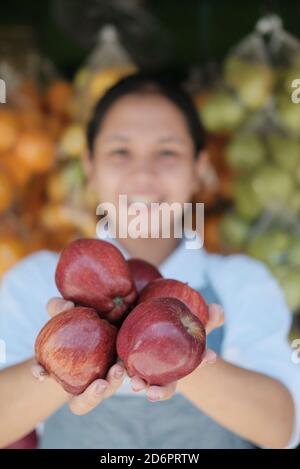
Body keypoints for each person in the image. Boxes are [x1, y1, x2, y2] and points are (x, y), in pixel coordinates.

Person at [0, 73, 299, 449]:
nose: (143, 173)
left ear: (199, 168)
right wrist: (67, 356)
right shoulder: (35, 279)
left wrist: (178, 355)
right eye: (120, 152)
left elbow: (282, 427)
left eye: (167, 152)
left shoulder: (242, 282)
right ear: (90, 166)